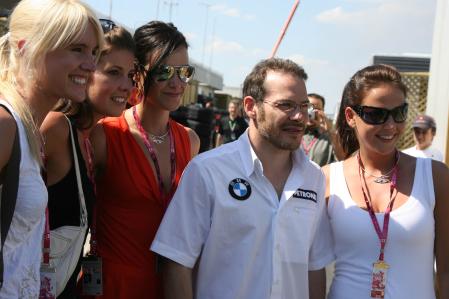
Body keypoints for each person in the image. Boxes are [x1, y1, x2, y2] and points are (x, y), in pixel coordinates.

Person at [151, 58, 334, 299]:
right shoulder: (207, 172)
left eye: (303, 106)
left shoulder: (314, 178)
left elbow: (314, 266)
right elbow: (176, 262)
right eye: (286, 105)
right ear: (250, 106)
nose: (299, 116)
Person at [89, 21, 200, 298]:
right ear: (138, 73)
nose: (177, 84)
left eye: (183, 72)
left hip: (170, 286)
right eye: (164, 71)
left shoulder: (190, 141)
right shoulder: (105, 134)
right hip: (114, 285)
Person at [0, 0, 102, 297]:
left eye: (94, 52)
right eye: (77, 49)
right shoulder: (6, 123)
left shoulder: (26, 128)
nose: (92, 65)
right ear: (28, 47)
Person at [324, 64, 449, 299]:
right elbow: (311, 266)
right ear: (351, 116)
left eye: (399, 113)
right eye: (376, 114)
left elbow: (445, 271)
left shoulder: (436, 177)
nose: (391, 125)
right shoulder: (326, 179)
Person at [40, 23, 135, 298]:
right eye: (114, 72)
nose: (126, 86)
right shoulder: (56, 127)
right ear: (87, 70)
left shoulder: (90, 139)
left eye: (130, 75)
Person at [301, 93, 338, 166]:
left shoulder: (328, 138)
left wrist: (331, 131)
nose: (311, 112)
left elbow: (342, 160)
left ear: (322, 111)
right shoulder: (291, 134)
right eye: (308, 107)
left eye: (316, 109)